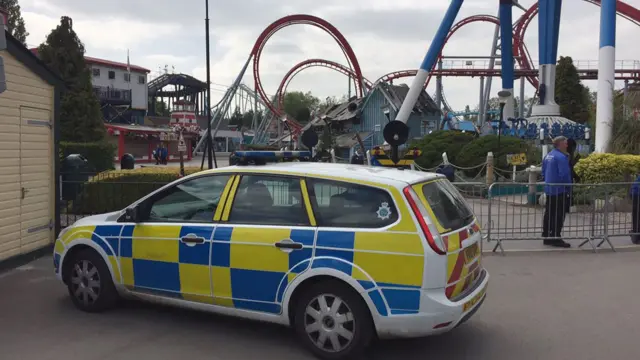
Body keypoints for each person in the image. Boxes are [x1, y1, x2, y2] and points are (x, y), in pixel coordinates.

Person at [541, 136, 572, 248]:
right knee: (559, 214)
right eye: (565, 143)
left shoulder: (548, 155)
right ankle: (555, 236)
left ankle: (546, 235)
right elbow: (564, 175)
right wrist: (569, 188)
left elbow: (543, 172)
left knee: (549, 213)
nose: (567, 145)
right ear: (560, 144)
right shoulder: (561, 157)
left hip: (550, 189)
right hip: (560, 190)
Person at [631, 174, 640, 244]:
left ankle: (636, 236)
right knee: (637, 217)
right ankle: (636, 237)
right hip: (637, 196)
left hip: (636, 196)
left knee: (636, 217)